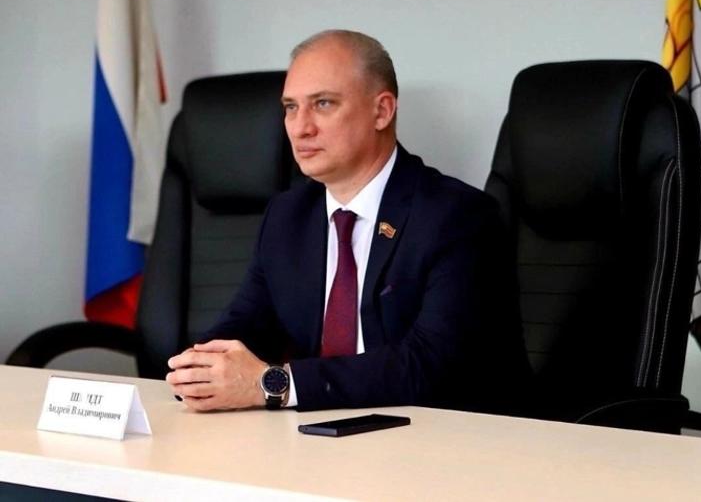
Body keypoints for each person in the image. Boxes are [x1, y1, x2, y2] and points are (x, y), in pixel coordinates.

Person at [166, 29, 531, 415]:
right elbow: (246, 323)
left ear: (382, 111)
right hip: (326, 431)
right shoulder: (288, 216)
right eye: (290, 107)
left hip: (449, 435)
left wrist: (274, 385)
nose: (300, 127)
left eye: (323, 104)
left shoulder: (458, 216)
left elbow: (430, 364)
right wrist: (199, 371)